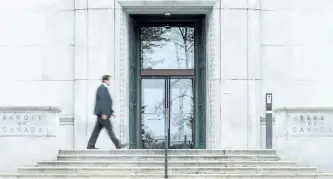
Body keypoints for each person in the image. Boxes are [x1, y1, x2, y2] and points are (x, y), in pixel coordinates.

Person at [87, 75, 125, 149]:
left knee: (96, 130)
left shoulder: (103, 88)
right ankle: (117, 144)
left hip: (102, 114)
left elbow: (107, 102)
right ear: (105, 80)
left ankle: (90, 145)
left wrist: (111, 112)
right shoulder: (102, 88)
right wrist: (105, 113)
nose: (110, 82)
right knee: (109, 129)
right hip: (103, 115)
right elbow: (103, 102)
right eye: (109, 80)